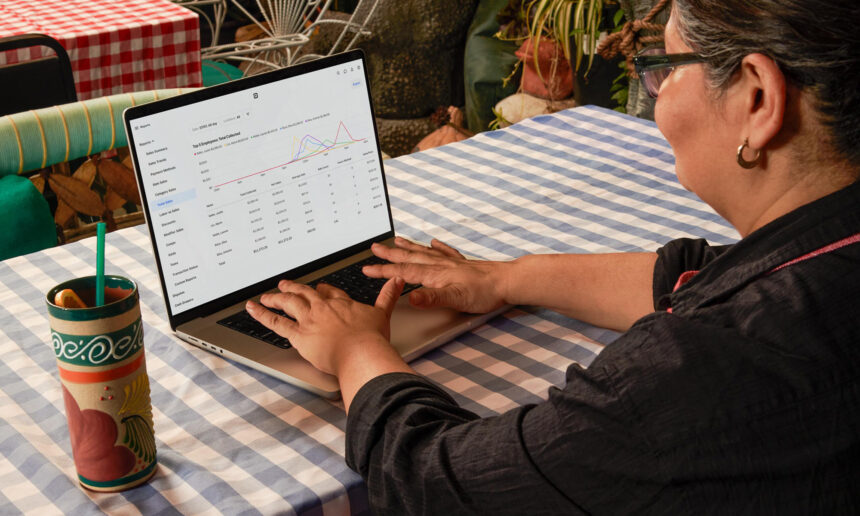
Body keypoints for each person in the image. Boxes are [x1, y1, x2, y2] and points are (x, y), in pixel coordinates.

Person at [246, 0, 860, 512]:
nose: (659, 99)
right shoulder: (824, 252)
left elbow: (435, 481)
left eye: (665, 70)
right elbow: (700, 274)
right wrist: (507, 278)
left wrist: (356, 350)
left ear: (758, 98)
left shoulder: (699, 370)